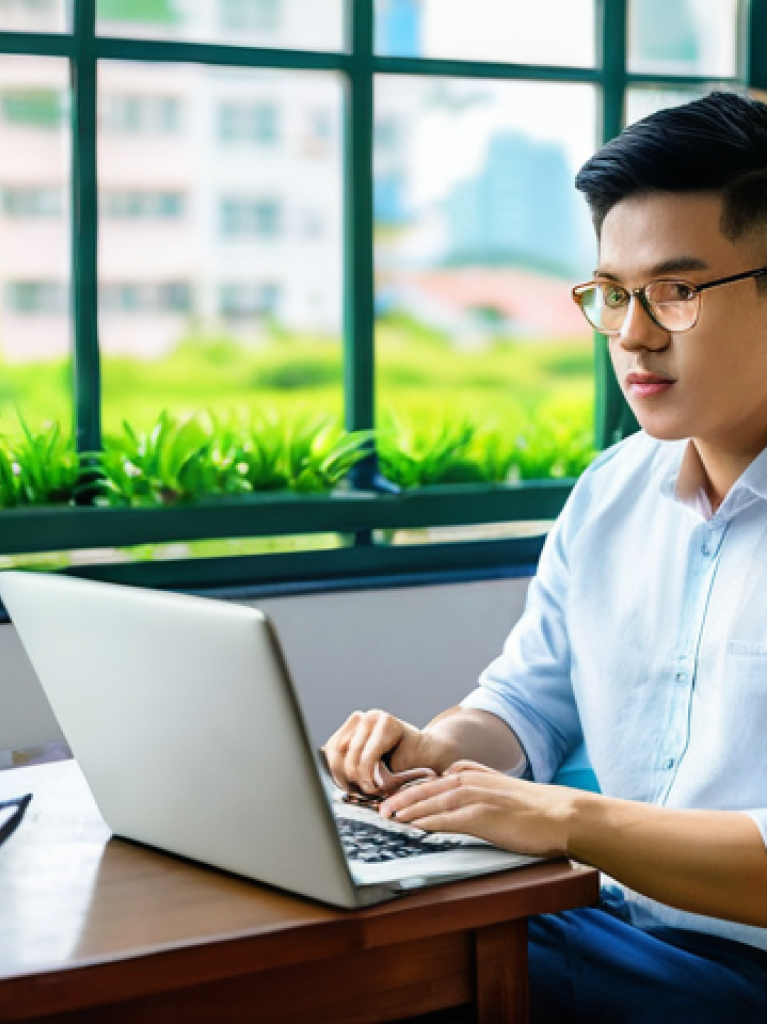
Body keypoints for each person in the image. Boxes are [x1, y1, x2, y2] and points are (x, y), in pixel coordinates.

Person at [323, 91, 767, 1022]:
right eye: (611, 293)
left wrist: (567, 822)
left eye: (677, 292)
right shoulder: (612, 493)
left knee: (389, 960)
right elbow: (527, 702)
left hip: (742, 971)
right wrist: (438, 756)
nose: (632, 334)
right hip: (604, 922)